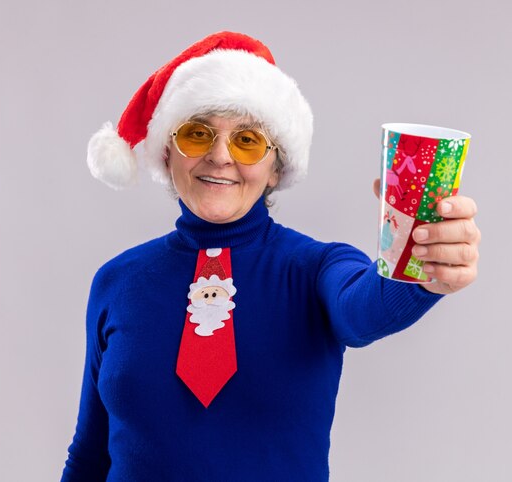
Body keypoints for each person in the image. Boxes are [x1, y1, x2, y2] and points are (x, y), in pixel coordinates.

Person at [61, 32, 481, 481]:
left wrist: (420, 271)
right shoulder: (116, 281)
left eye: (246, 140)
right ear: (167, 153)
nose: (220, 156)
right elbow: (89, 455)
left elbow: (365, 311)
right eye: (197, 134)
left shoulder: (318, 269)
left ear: (276, 167)